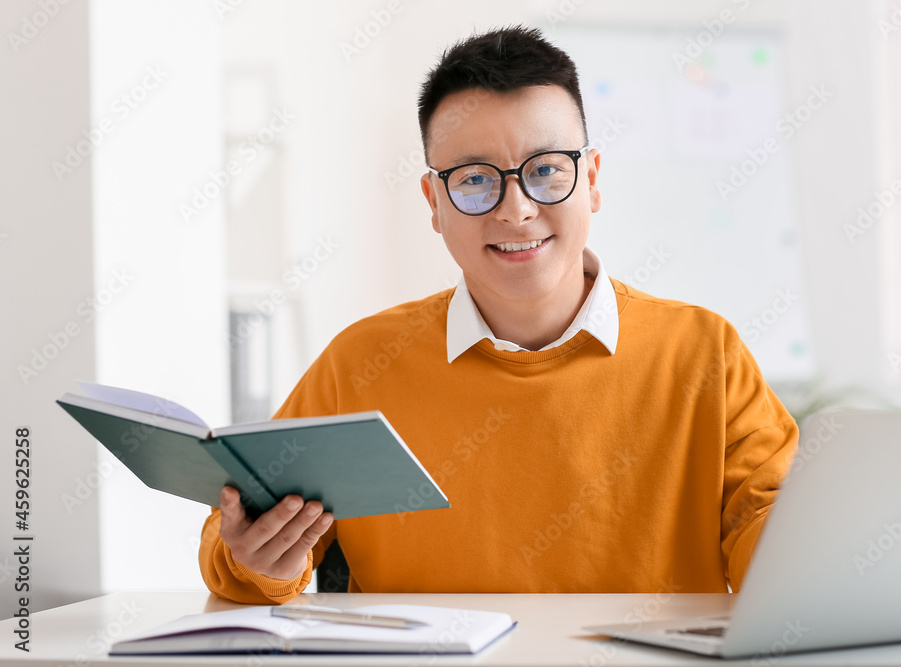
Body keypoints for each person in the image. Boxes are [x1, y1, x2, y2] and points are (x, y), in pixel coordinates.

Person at [199, 25, 799, 604]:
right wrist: (255, 560)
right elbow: (237, 541)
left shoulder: (703, 352)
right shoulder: (360, 363)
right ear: (434, 203)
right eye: (476, 180)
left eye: (545, 171)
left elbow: (781, 531)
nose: (516, 211)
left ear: (590, 180)